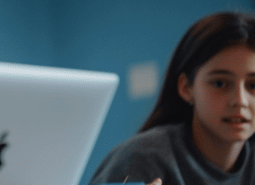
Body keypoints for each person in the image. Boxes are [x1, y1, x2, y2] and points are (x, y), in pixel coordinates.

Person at [89, 12, 255, 185]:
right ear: (186, 88)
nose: (240, 100)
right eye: (220, 83)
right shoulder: (139, 160)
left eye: (253, 86)